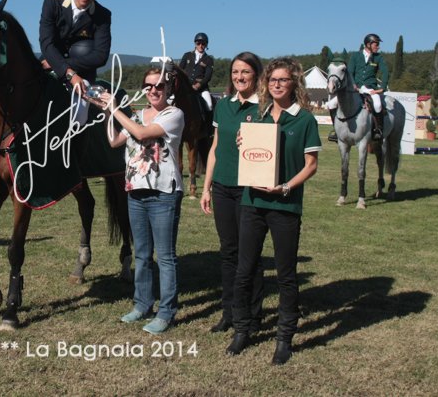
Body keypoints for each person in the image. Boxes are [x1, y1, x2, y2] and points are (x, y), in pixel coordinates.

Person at [227, 57, 321, 365]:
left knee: (286, 275)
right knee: (244, 271)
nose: (277, 85)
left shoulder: (304, 120)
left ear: (295, 83)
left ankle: (284, 338)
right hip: (252, 203)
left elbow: (311, 165)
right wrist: (242, 142)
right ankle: (242, 330)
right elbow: (252, 153)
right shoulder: (258, 115)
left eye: (283, 80)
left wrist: (286, 187)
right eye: (272, 80)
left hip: (285, 206)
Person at [92, 67, 185, 335]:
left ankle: (166, 312)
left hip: (163, 194)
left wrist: (116, 109)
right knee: (142, 254)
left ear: (168, 88)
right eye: (149, 86)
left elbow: (143, 134)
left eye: (159, 86)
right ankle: (142, 304)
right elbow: (114, 141)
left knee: (165, 257)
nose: (154, 90)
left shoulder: (173, 115)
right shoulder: (135, 115)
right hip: (136, 193)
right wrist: (108, 112)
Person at [199, 52, 264, 334]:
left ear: (256, 75)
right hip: (223, 187)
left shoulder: (264, 107)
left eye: (245, 72)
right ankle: (229, 312)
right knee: (228, 252)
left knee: (250, 254)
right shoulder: (223, 105)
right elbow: (214, 147)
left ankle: (253, 314)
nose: (239, 77)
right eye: (236, 72)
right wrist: (206, 187)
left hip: (250, 188)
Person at [39, 0, 111, 97]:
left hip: (82, 73)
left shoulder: (103, 15)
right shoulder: (52, 3)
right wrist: (63, 68)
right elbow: (46, 43)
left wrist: (61, 65)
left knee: (81, 104)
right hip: (46, 64)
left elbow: (101, 56)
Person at [327, 34, 388, 139]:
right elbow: (350, 72)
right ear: (368, 44)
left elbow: (385, 72)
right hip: (355, 88)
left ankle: (378, 130)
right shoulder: (355, 56)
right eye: (376, 44)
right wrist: (353, 85)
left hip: (370, 88)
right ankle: (336, 130)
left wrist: (382, 88)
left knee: (378, 105)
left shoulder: (378, 57)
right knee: (331, 104)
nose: (378, 47)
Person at [178, 33, 215, 112]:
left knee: (209, 105)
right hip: (186, 87)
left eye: (203, 44)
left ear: (206, 45)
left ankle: (208, 120)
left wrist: (198, 85)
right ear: (195, 44)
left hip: (201, 89)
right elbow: (180, 70)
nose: (200, 46)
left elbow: (208, 76)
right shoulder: (187, 55)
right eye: (198, 43)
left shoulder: (209, 59)